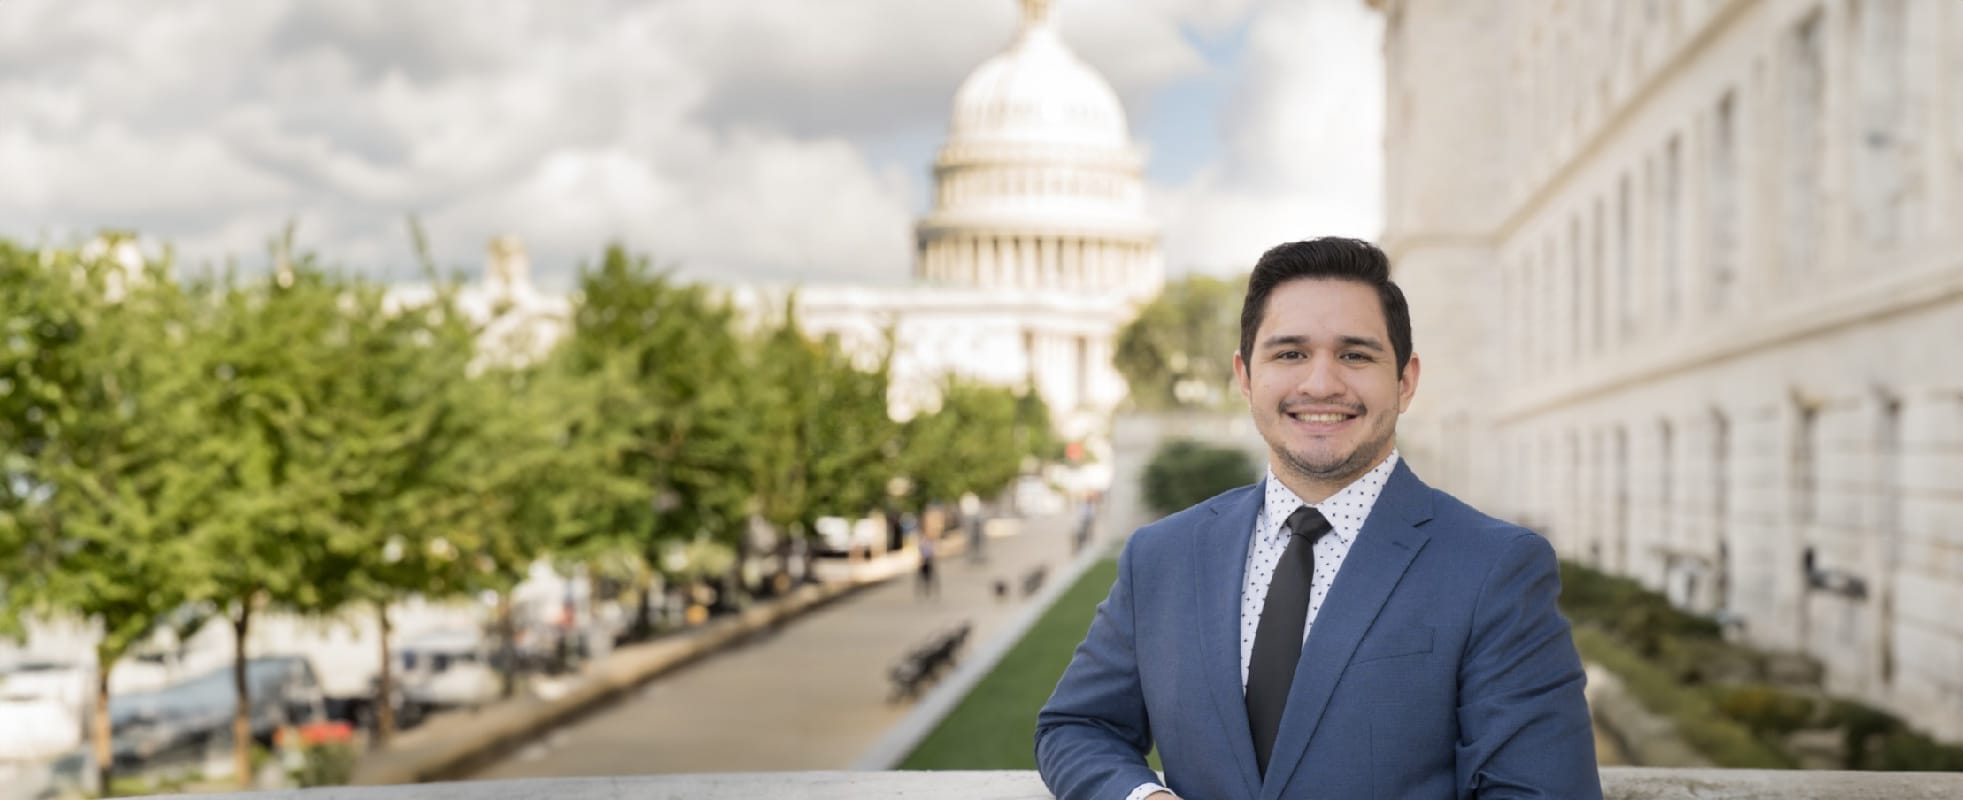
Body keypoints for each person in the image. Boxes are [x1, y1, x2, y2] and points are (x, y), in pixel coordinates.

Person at [1035, 239, 1600, 800]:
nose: (1321, 384)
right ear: (1245, 377)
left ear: (1405, 381)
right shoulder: (1161, 555)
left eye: (1355, 354)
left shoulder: (1495, 567)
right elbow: (1079, 726)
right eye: (1289, 354)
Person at [916, 533, 939, 599]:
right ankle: (925, 590)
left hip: (928, 562)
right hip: (925, 562)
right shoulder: (924, 544)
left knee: (929, 578)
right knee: (925, 578)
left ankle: (928, 589)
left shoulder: (927, 544)